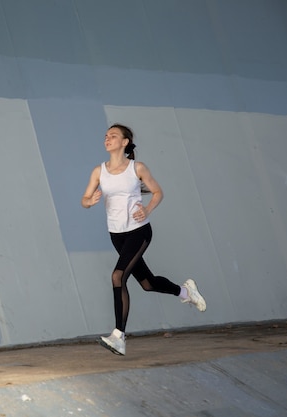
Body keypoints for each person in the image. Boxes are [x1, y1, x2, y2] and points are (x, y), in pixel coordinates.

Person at [81, 123, 206, 356]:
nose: (107, 139)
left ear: (125, 142)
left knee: (118, 276)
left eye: (113, 136)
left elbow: (158, 192)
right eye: (106, 136)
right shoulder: (99, 171)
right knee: (147, 284)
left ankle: (118, 337)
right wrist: (91, 201)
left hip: (139, 231)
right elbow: (85, 199)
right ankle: (186, 292)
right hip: (116, 234)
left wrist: (147, 210)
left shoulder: (137, 168)